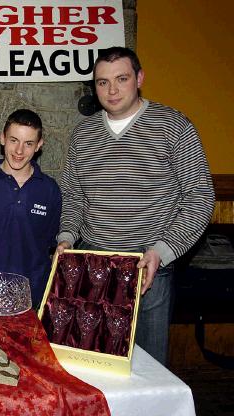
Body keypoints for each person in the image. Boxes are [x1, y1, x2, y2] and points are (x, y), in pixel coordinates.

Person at [57, 47, 215, 365]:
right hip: (94, 263)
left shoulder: (174, 126)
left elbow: (200, 196)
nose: (112, 90)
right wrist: (66, 237)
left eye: (121, 79)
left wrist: (162, 251)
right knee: (92, 361)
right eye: (102, 82)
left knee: (149, 366)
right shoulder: (82, 135)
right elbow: (74, 196)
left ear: (139, 78)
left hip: (150, 265)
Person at [0, 109, 61, 307]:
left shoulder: (49, 189)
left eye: (28, 143)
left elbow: (49, 243)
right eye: (13, 140)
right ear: (2, 138)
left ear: (39, 145)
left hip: (35, 293)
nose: (19, 151)